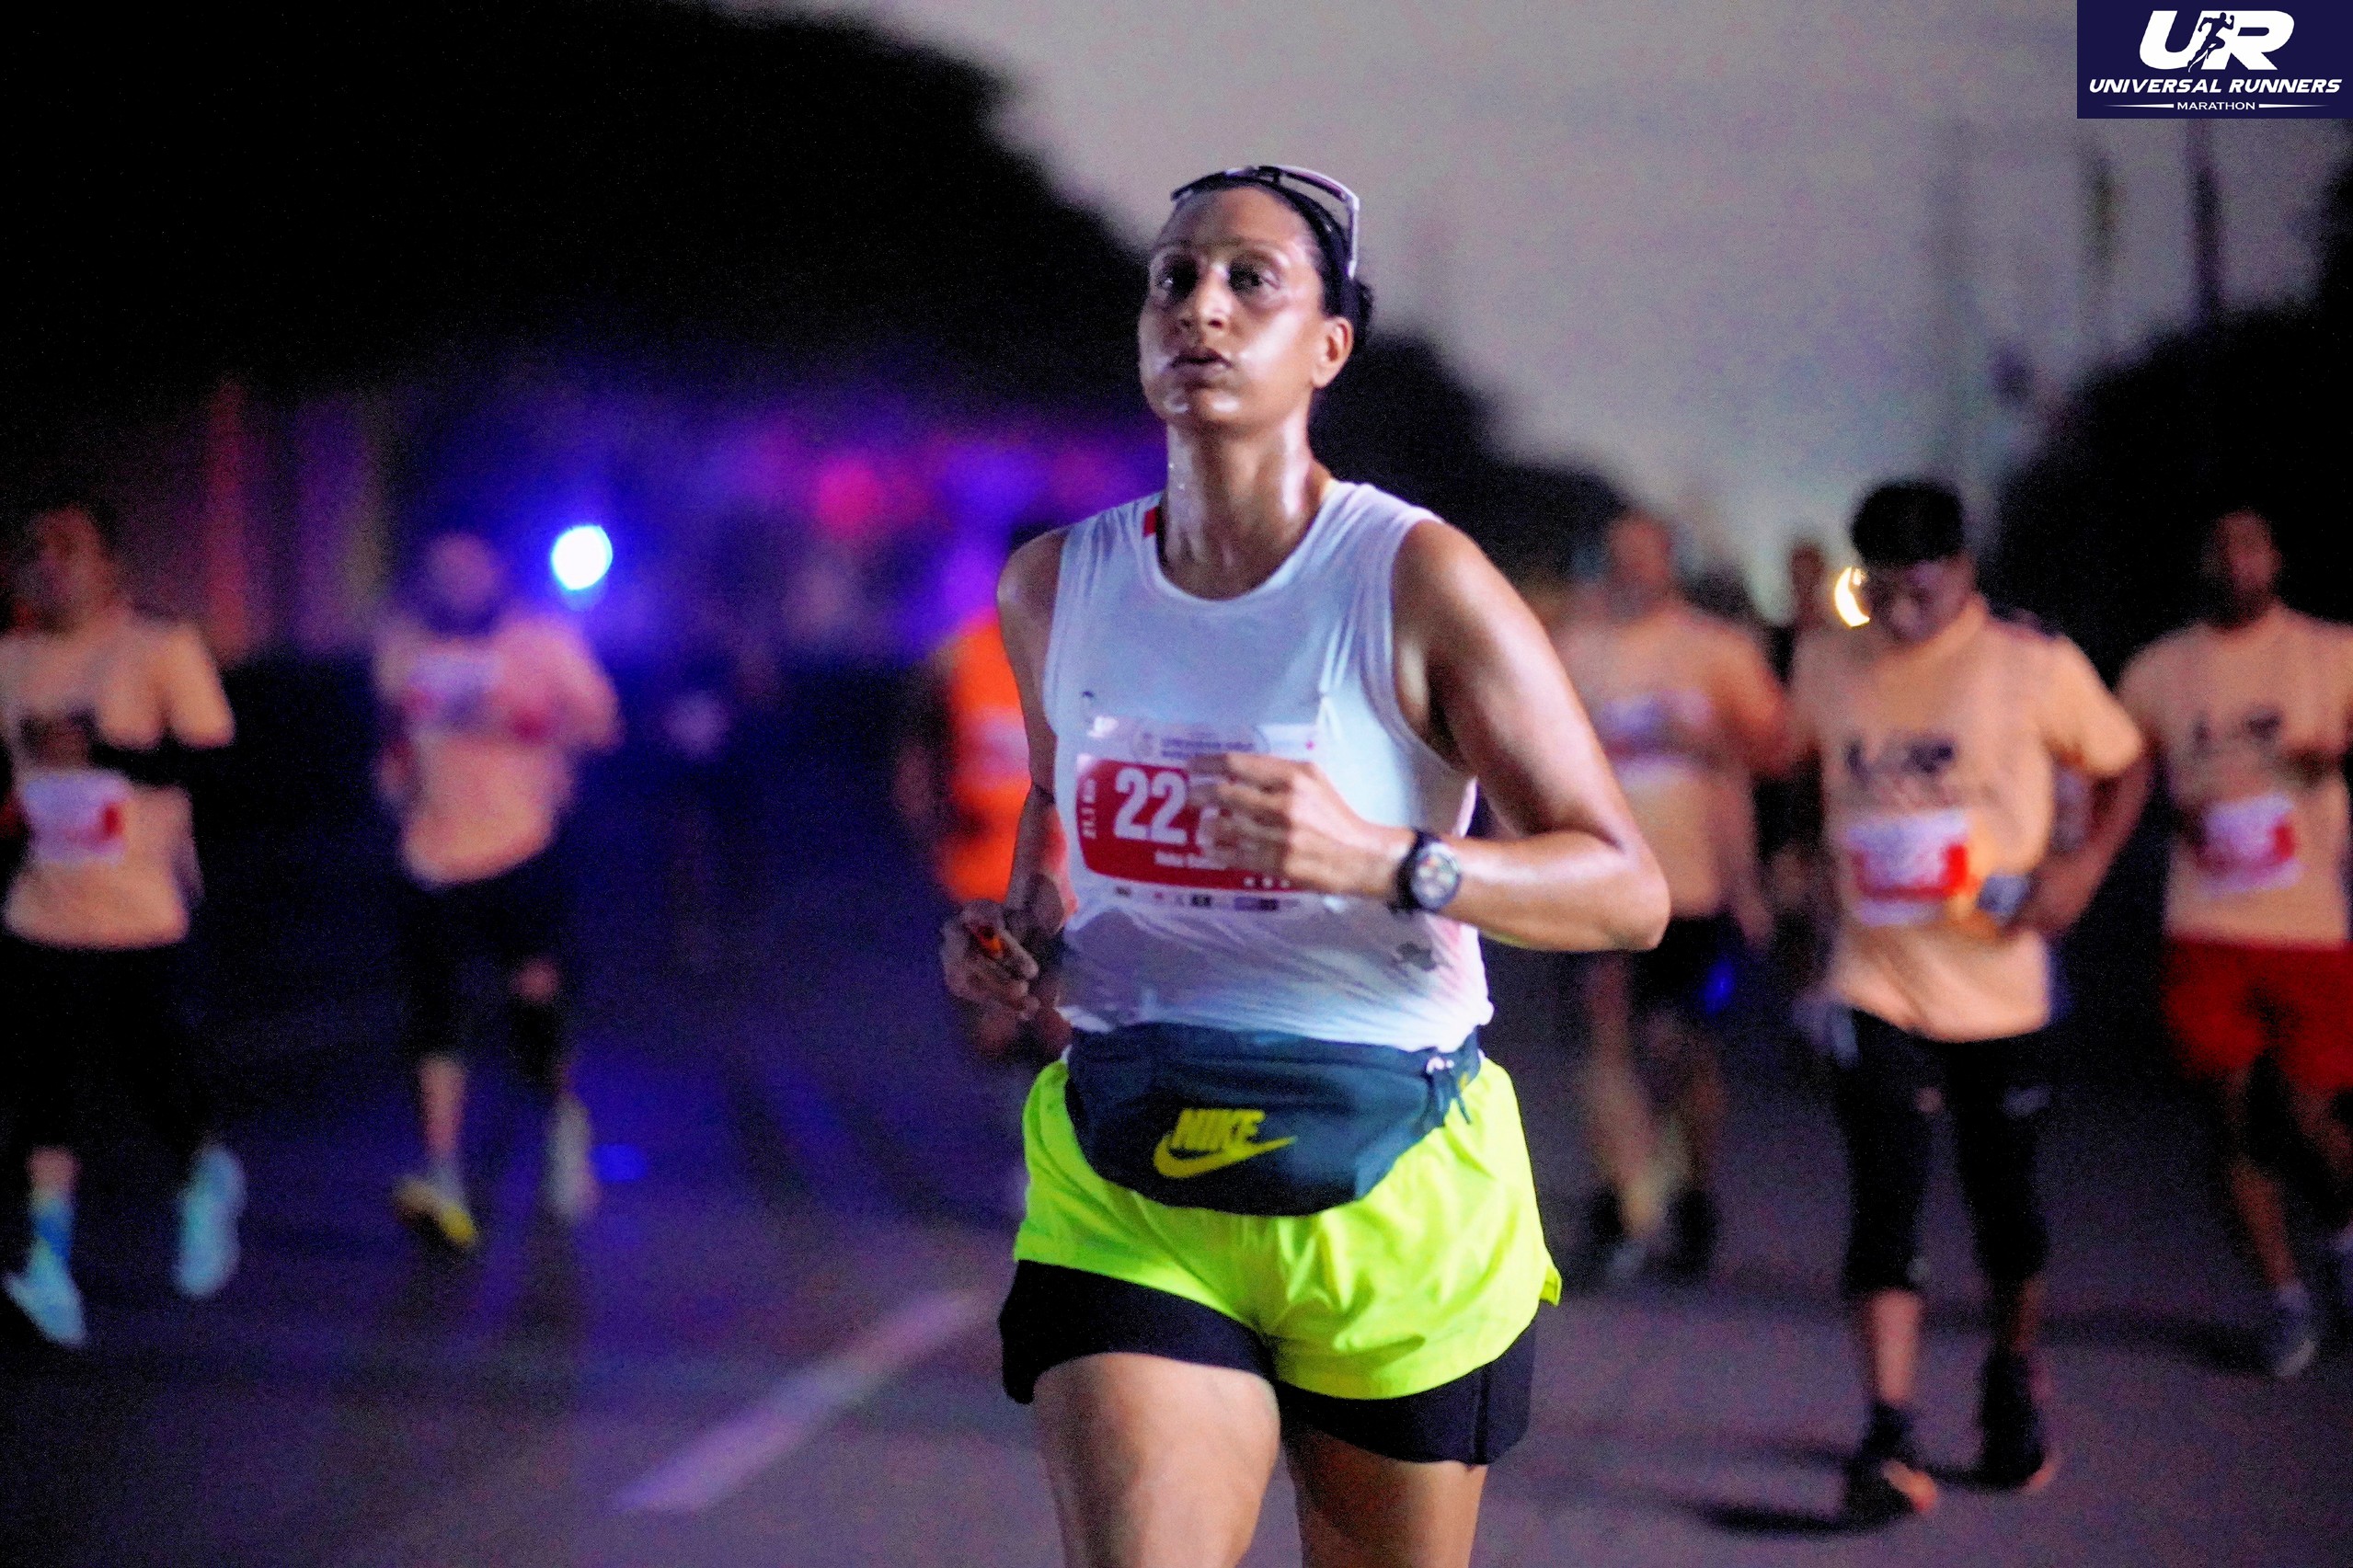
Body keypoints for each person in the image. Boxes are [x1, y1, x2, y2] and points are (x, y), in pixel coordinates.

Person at [940, 165, 1668, 1568]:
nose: (1200, 308)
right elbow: (1052, 810)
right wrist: (1017, 927)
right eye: (1173, 278)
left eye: (1249, 281)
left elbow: (1625, 891)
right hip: (1136, 1166)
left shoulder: (1415, 579)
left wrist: (1389, 861)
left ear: (1327, 346)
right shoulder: (1053, 586)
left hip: (1385, 1169)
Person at [1786, 481, 2150, 1522]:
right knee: (1884, 1197)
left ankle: (2011, 1369)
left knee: (2005, 1205)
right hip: (1876, 973)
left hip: (2001, 981)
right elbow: (1797, 766)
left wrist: (2081, 868)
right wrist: (1796, 857)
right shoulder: (1827, 660)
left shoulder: (2032, 663)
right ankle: (1888, 1429)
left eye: (1923, 589)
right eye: (1883, 591)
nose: (1902, 613)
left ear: (1963, 570)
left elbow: (2124, 764)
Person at [2117, 507, 2353, 1379]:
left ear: (2277, 557)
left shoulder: (2331, 652)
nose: (2236, 559)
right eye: (2220, 546)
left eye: (2252, 543)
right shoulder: (2158, 670)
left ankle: (2344, 1233)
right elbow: (2121, 771)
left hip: (2308, 924)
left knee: (2306, 1115)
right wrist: (2161, 810)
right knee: (2233, 1121)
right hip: (2206, 923)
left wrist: (2334, 756)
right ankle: (2285, 1299)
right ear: (2202, 562)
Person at [0, 497, 242, 1347]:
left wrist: (102, 751)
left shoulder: (158, 647)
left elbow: (215, 766)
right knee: (43, 1087)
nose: (48, 563)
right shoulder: (11, 658)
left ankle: (203, 1175)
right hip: (42, 905)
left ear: (112, 566)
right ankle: (48, 1262)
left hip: (143, 910)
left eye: (69, 547)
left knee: (154, 1079)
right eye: (36, 548)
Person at [1552, 511, 1787, 1282]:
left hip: (1693, 888)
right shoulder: (1573, 649)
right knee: (1604, 1036)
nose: (1630, 570)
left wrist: (1704, 743)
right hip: (1595, 882)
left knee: (1680, 1051)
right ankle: (1623, 1204)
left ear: (1669, 564)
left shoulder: (1717, 650)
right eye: (1617, 557)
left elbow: (1779, 749)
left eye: (1645, 557)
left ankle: (1691, 1191)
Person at [374, 529, 620, 1251]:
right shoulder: (404, 644)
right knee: (435, 1010)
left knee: (533, 998)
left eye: (468, 566)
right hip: (431, 851)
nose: (455, 580)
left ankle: (561, 1122)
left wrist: (521, 721)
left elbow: (603, 725)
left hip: (522, 843)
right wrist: (395, 772)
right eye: (440, 567)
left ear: (496, 569)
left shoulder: (541, 640)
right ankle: (442, 1169)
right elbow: (395, 731)